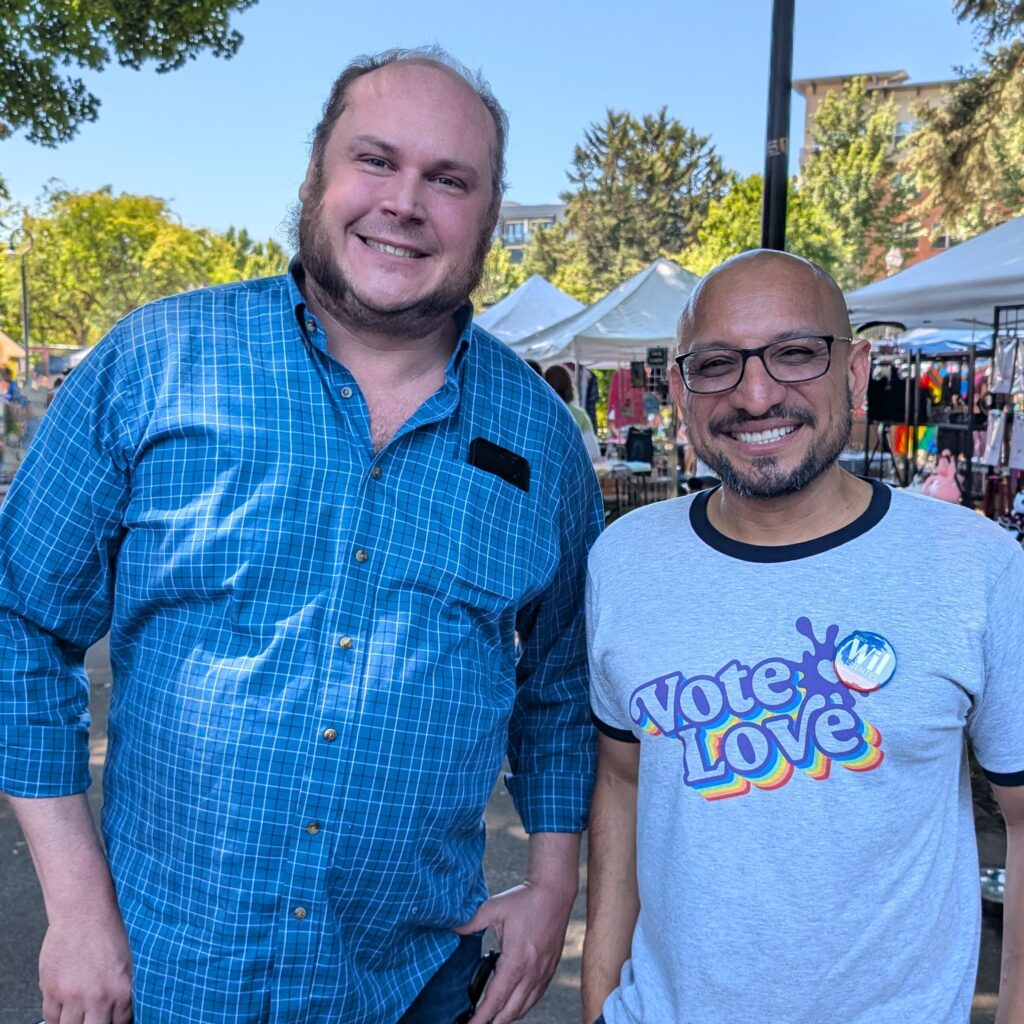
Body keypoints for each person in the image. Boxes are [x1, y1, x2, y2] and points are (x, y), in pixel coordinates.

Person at [0, 47, 604, 1024]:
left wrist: (551, 881)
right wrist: (73, 909)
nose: (405, 202)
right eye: (376, 160)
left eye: (449, 180)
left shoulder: (541, 441)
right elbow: (21, 620)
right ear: (315, 179)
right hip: (163, 978)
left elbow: (563, 685)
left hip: (413, 986)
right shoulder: (156, 363)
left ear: (487, 219)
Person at [582, 249, 1024, 1024]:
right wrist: (598, 1002)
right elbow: (621, 784)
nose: (756, 394)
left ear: (853, 376)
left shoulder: (977, 567)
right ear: (683, 392)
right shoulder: (624, 558)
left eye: (795, 353)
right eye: (716, 364)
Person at [545, 364, 601, 462]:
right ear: (569, 386)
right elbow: (593, 453)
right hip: (571, 472)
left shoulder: (540, 413)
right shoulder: (579, 415)